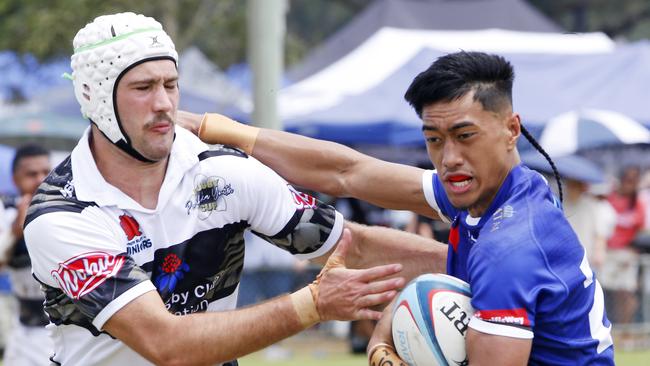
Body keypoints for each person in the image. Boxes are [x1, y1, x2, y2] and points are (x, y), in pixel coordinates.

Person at [24, 12, 448, 366]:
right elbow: (166, 344)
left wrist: (478, 262)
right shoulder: (62, 212)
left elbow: (350, 245)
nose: (164, 104)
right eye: (142, 87)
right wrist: (312, 304)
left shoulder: (222, 169)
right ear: (94, 97)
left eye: (170, 84)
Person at [179, 51, 615, 364]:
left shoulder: (509, 250)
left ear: (511, 129)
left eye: (465, 136)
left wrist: (384, 352)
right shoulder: (505, 188)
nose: (448, 158)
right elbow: (349, 172)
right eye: (434, 139)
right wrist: (211, 127)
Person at [0, 144, 54, 366]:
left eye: (46, 172)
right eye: (31, 174)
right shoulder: (7, 213)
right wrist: (15, 231)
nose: (40, 180)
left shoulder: (69, 212)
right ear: (15, 179)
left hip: (68, 331)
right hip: (26, 334)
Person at [600, 166, 645, 324]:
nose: (629, 184)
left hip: (627, 255)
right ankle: (612, 327)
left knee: (626, 294)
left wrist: (633, 250)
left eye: (633, 181)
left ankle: (625, 328)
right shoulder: (610, 199)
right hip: (607, 254)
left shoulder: (637, 203)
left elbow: (641, 231)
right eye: (627, 180)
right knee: (605, 293)